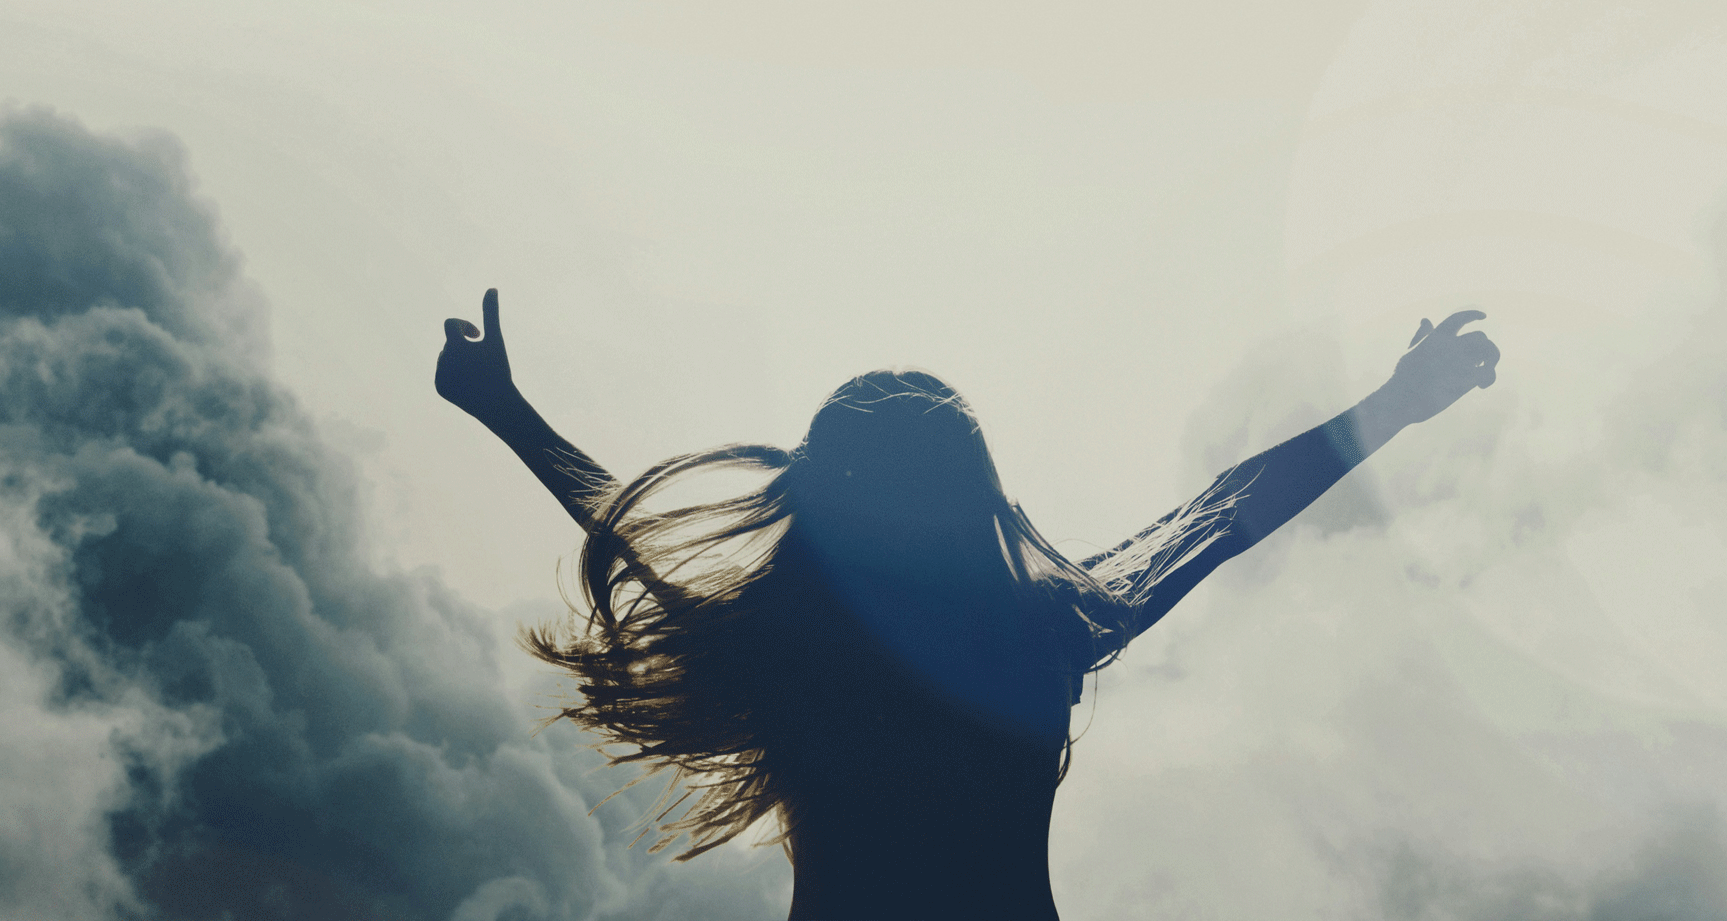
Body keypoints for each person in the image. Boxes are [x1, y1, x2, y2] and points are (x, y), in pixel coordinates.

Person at [435, 290, 1500, 921]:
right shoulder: (1039, 631)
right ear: (973, 495)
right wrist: (1394, 405)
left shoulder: (792, 649)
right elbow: (1227, 514)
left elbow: (629, 532)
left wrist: (506, 411)